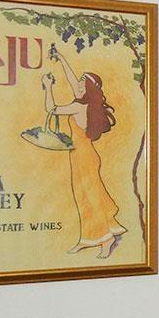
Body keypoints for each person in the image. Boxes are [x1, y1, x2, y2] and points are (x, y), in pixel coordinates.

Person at [41, 46, 127, 259]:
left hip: (84, 157)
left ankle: (105, 240)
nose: (76, 86)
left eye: (81, 85)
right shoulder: (87, 103)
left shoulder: (79, 107)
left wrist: (48, 87)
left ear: (88, 89)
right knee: (87, 197)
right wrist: (61, 58)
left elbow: (51, 109)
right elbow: (72, 80)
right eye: (77, 84)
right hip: (83, 156)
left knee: (90, 197)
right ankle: (89, 237)